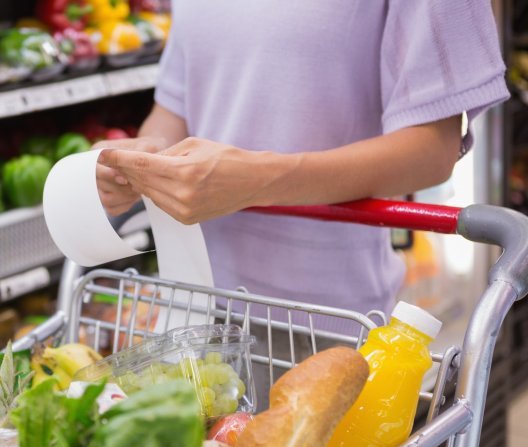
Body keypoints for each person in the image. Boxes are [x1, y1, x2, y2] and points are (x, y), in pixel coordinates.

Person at [93, 0, 509, 346]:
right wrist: (140, 161)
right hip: (193, 303)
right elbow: (175, 111)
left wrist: (259, 180)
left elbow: (431, 150)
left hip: (324, 321)